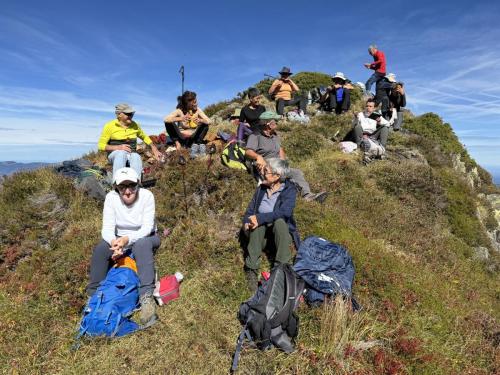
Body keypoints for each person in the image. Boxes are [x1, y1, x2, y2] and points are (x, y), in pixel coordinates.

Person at [86, 167, 160, 325]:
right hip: (120, 240)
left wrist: (126, 240)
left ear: (138, 184)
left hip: (147, 237)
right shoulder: (111, 198)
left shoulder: (147, 196)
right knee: (101, 249)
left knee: (141, 244)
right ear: (116, 188)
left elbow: (147, 229)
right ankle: (94, 297)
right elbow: (107, 229)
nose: (127, 191)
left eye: (132, 186)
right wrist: (114, 242)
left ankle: (146, 297)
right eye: (122, 187)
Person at [242, 158, 299, 291]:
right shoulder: (261, 189)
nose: (262, 173)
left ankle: (281, 269)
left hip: (279, 237)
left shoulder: (289, 190)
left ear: (277, 176)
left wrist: (260, 218)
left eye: (266, 171)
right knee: (257, 224)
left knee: (279, 222)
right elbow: (249, 212)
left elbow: (285, 213)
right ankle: (251, 268)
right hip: (259, 238)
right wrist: (246, 222)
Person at [245, 111, 327, 202]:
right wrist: (258, 157)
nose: (277, 123)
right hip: (266, 165)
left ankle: (307, 195)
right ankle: (291, 190)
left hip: (277, 164)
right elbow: (248, 151)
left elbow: (280, 149)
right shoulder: (255, 135)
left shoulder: (274, 135)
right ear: (268, 123)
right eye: (275, 121)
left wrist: (283, 162)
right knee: (284, 176)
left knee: (296, 172)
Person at [98, 103, 162, 179]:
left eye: (132, 113)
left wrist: (154, 148)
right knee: (121, 154)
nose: (131, 116)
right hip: (114, 155)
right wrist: (118, 147)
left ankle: (136, 184)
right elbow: (101, 146)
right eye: (128, 114)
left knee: (136, 156)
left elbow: (144, 136)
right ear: (119, 114)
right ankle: (118, 184)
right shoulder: (109, 126)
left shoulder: (135, 125)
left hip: (131, 154)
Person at [164, 91, 211, 157]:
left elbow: (209, 121)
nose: (196, 104)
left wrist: (201, 120)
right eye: (194, 103)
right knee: (168, 123)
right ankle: (177, 144)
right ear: (187, 103)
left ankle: (196, 144)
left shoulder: (198, 110)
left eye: (196, 101)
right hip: (181, 137)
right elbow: (166, 119)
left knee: (205, 125)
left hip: (193, 137)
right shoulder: (179, 111)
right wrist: (180, 118)